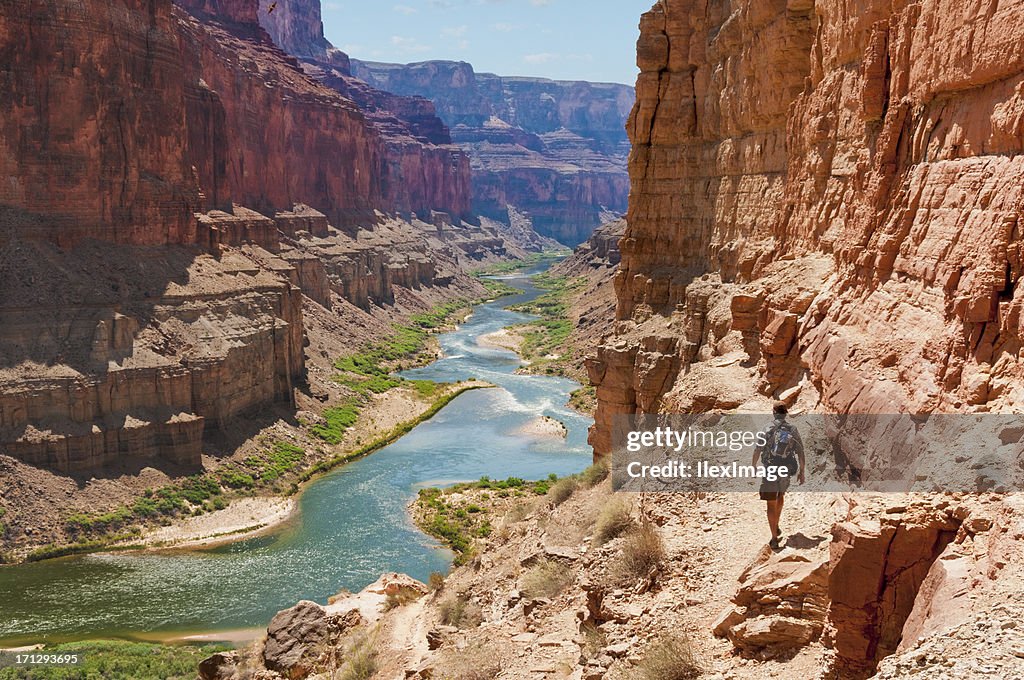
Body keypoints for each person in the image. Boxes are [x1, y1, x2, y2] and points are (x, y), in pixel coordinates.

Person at [752, 401, 805, 548]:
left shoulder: (767, 428)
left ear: (774, 412)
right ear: (786, 413)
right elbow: (800, 451)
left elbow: (758, 449)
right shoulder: (792, 429)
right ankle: (776, 525)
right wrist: (802, 471)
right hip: (786, 469)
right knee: (780, 496)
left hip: (770, 469)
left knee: (771, 502)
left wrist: (753, 466)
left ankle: (774, 538)